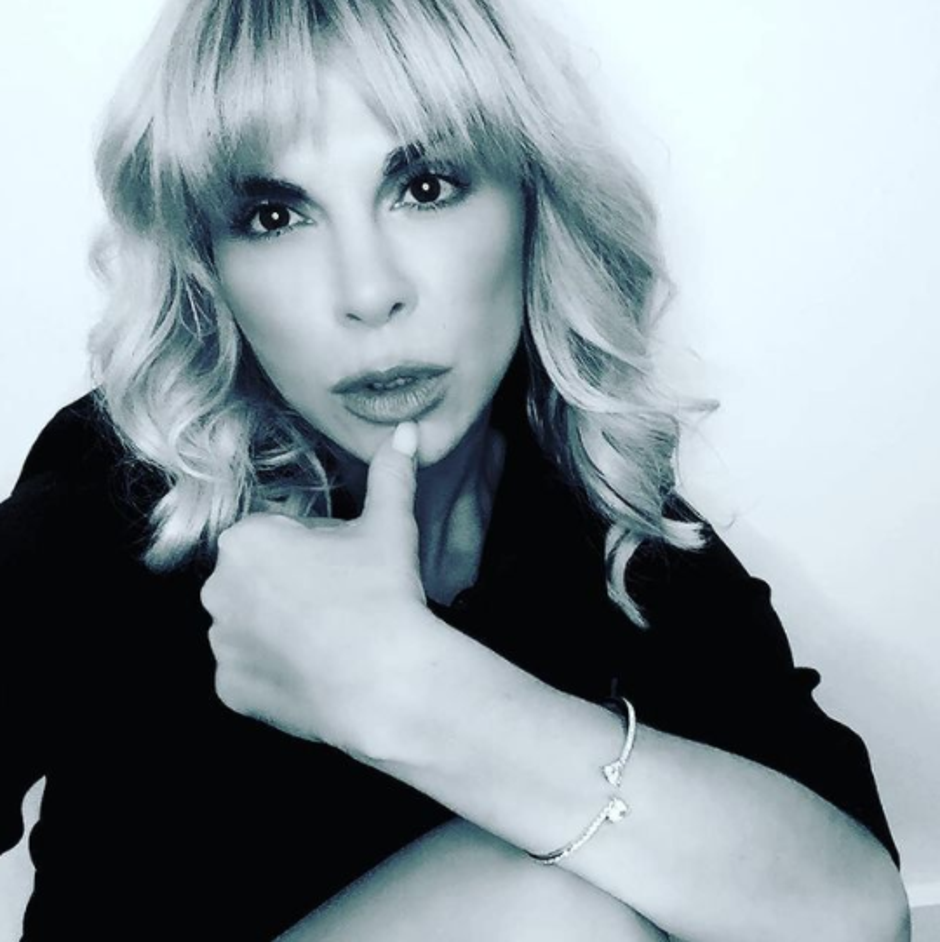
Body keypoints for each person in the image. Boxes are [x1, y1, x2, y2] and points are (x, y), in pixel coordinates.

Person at [0, 0, 910, 939]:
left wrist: (413, 692)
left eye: (425, 187)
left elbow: (854, 913)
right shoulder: (121, 495)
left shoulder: (605, 517)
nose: (368, 291)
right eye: (274, 216)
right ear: (210, 268)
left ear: (534, 204)